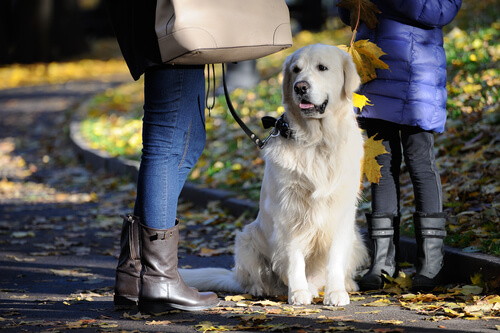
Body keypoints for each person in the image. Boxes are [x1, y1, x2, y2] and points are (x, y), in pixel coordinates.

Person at [337, 0, 462, 291]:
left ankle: (432, 261)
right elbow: (349, 14)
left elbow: (441, 11)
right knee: (381, 167)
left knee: (420, 162)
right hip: (376, 77)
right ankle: (382, 261)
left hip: (418, 79)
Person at [106, 1, 219, 313]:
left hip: (162, 19)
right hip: (170, 21)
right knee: (168, 143)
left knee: (187, 140)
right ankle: (159, 278)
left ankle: (134, 272)